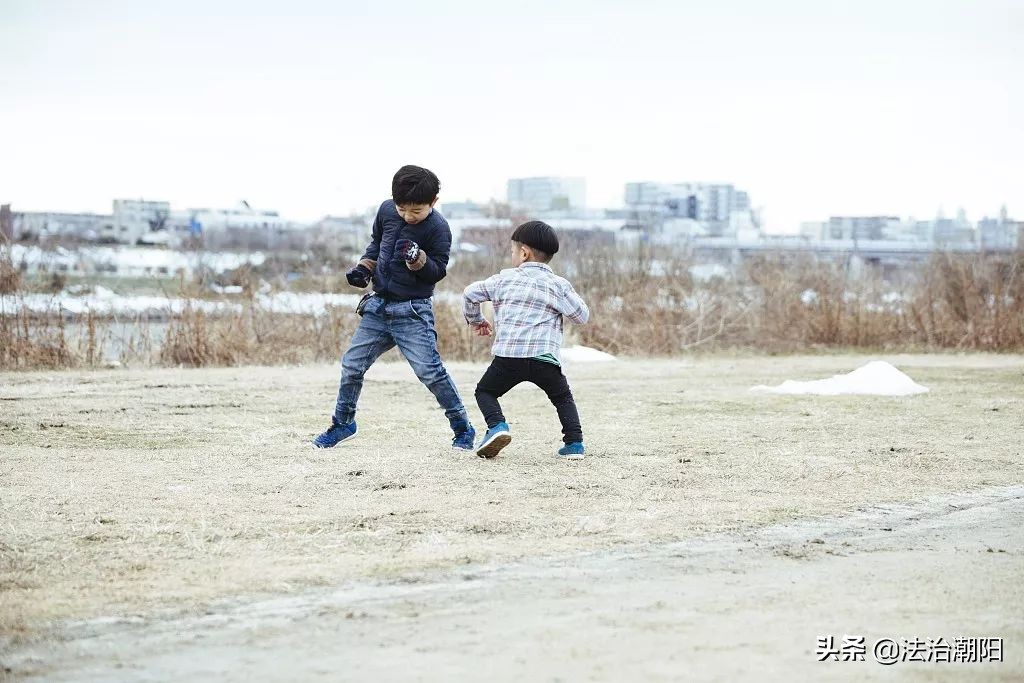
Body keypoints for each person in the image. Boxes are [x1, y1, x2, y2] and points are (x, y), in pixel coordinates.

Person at [313, 165, 475, 449]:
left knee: (431, 372)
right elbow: (376, 246)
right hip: (378, 307)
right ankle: (343, 424)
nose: (407, 216)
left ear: (433, 202)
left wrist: (417, 258)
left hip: (412, 311)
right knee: (351, 366)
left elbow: (437, 271)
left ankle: (463, 429)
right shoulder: (386, 211)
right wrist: (363, 269)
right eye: (402, 209)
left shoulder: (439, 228)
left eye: (416, 211)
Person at [463, 221, 589, 460]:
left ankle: (497, 426)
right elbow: (582, 316)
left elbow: (470, 293)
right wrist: (563, 298)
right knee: (562, 398)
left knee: (485, 392)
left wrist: (476, 320)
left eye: (512, 251)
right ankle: (573, 444)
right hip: (544, 357)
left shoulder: (503, 280)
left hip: (508, 357)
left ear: (523, 252)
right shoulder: (558, 285)